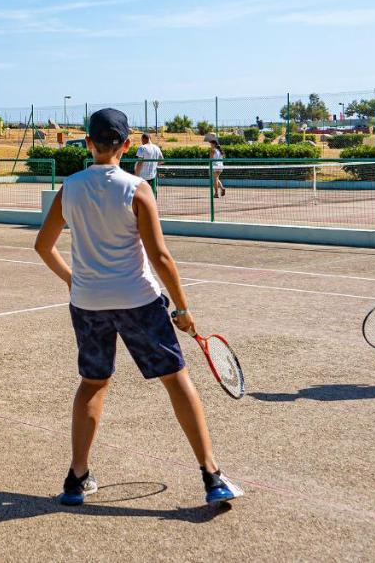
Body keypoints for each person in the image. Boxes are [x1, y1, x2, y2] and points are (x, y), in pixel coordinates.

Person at [34, 108, 243, 506]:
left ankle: (76, 479)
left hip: (88, 304)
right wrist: (182, 308)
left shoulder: (70, 187)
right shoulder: (136, 188)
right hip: (138, 301)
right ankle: (211, 475)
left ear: (89, 143)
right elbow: (160, 257)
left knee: (93, 384)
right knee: (177, 380)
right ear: (127, 145)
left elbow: (43, 246)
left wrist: (72, 279)